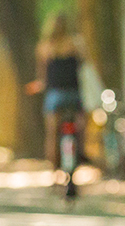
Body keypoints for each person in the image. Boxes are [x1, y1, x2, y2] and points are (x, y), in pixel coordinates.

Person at [25, 15, 84, 172]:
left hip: (55, 95)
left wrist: (39, 86)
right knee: (80, 127)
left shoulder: (44, 47)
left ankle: (53, 169)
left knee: (52, 134)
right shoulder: (76, 43)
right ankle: (80, 155)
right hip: (74, 94)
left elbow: (42, 77)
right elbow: (85, 65)